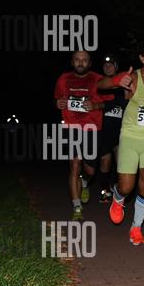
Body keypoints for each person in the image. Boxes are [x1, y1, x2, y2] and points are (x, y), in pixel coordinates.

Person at [98, 41, 144, 245]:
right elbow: (100, 85)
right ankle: (117, 196)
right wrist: (117, 80)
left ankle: (136, 228)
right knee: (126, 187)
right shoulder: (132, 78)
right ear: (142, 58)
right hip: (130, 138)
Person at [54, 50, 105, 220]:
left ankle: (85, 182)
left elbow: (108, 102)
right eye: (77, 59)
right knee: (74, 165)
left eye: (84, 60)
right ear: (72, 62)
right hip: (71, 127)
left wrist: (95, 106)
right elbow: (57, 99)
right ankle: (77, 207)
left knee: (90, 169)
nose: (80, 62)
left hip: (92, 128)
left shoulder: (98, 79)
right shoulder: (63, 79)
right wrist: (58, 103)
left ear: (89, 63)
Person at [98, 54, 128, 202]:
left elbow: (126, 103)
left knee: (121, 163)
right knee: (105, 162)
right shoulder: (100, 84)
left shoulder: (124, 84)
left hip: (121, 130)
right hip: (103, 130)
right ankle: (104, 191)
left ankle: (117, 190)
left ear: (116, 67)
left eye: (111, 65)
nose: (108, 67)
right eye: (105, 65)